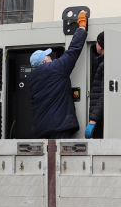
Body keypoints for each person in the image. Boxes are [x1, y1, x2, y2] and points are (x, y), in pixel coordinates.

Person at [28, 9, 88, 139]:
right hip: (58, 125)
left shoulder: (31, 77)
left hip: (40, 128)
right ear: (44, 61)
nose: (51, 58)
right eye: (48, 57)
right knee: (58, 158)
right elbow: (73, 50)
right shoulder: (55, 68)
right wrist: (82, 27)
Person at [87, 31, 104, 139]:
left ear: (101, 45)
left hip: (100, 120)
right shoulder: (102, 62)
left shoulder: (104, 64)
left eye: (97, 42)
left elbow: (104, 95)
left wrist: (93, 120)